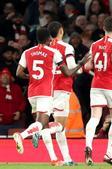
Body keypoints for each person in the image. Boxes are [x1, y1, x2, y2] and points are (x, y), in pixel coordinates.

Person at [12, 27, 88, 166]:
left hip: (32, 92)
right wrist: (82, 63)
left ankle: (54, 158)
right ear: (49, 39)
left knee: (42, 124)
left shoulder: (27, 52)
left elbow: (18, 73)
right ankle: (22, 136)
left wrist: (31, 77)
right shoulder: (54, 52)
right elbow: (68, 73)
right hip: (46, 92)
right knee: (44, 125)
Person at [31, 21, 81, 166]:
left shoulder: (43, 48)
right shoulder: (66, 47)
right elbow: (72, 67)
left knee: (47, 124)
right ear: (61, 31)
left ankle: (66, 159)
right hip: (62, 90)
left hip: (45, 90)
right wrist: (82, 67)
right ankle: (38, 129)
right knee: (60, 127)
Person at [83, 16, 112, 166]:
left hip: (96, 85)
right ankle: (109, 153)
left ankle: (88, 146)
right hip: (111, 85)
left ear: (103, 28)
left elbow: (88, 67)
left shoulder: (94, 44)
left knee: (94, 118)